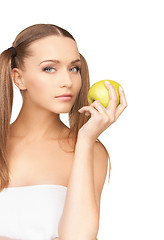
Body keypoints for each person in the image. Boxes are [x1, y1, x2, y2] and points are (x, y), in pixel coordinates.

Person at [0, 23, 127, 240]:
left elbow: (79, 238)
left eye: (74, 68)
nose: (67, 82)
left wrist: (85, 140)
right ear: (18, 78)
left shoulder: (92, 152)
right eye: (49, 68)